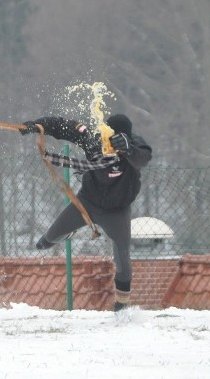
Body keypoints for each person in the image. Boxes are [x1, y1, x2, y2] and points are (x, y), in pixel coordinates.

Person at [20, 114, 152, 312]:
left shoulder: (133, 144)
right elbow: (64, 126)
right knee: (48, 240)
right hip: (86, 203)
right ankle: (65, 233)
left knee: (123, 257)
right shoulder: (92, 139)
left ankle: (121, 305)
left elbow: (143, 157)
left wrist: (128, 149)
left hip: (117, 211)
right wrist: (38, 125)